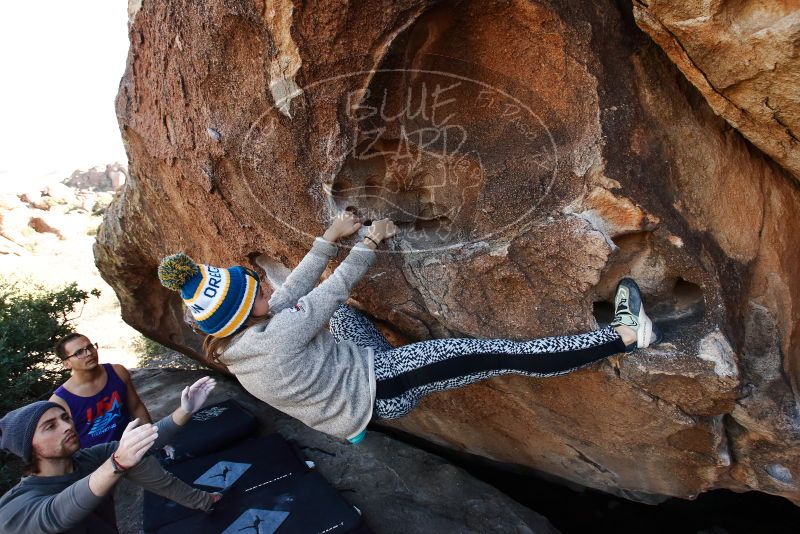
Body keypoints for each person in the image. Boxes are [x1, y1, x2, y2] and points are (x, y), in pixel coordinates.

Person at [157, 212, 661, 444]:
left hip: (354, 373)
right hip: (381, 387)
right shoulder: (277, 337)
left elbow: (293, 297)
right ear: (246, 312)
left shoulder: (244, 336)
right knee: (496, 354)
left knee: (339, 316)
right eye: (259, 292)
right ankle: (625, 336)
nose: (269, 288)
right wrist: (370, 241)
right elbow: (328, 292)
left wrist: (329, 235)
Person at [0, 376, 220, 533]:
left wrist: (185, 410)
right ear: (29, 447)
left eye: (65, 418)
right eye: (50, 426)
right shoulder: (13, 507)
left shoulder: (89, 459)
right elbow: (55, 515)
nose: (66, 427)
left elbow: (144, 442)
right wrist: (116, 463)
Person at [49, 333, 151, 449]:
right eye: (79, 353)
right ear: (67, 364)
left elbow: (136, 407)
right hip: (96, 461)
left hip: (132, 446)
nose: (89, 353)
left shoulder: (117, 372)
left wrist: (153, 438)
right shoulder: (60, 401)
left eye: (90, 347)